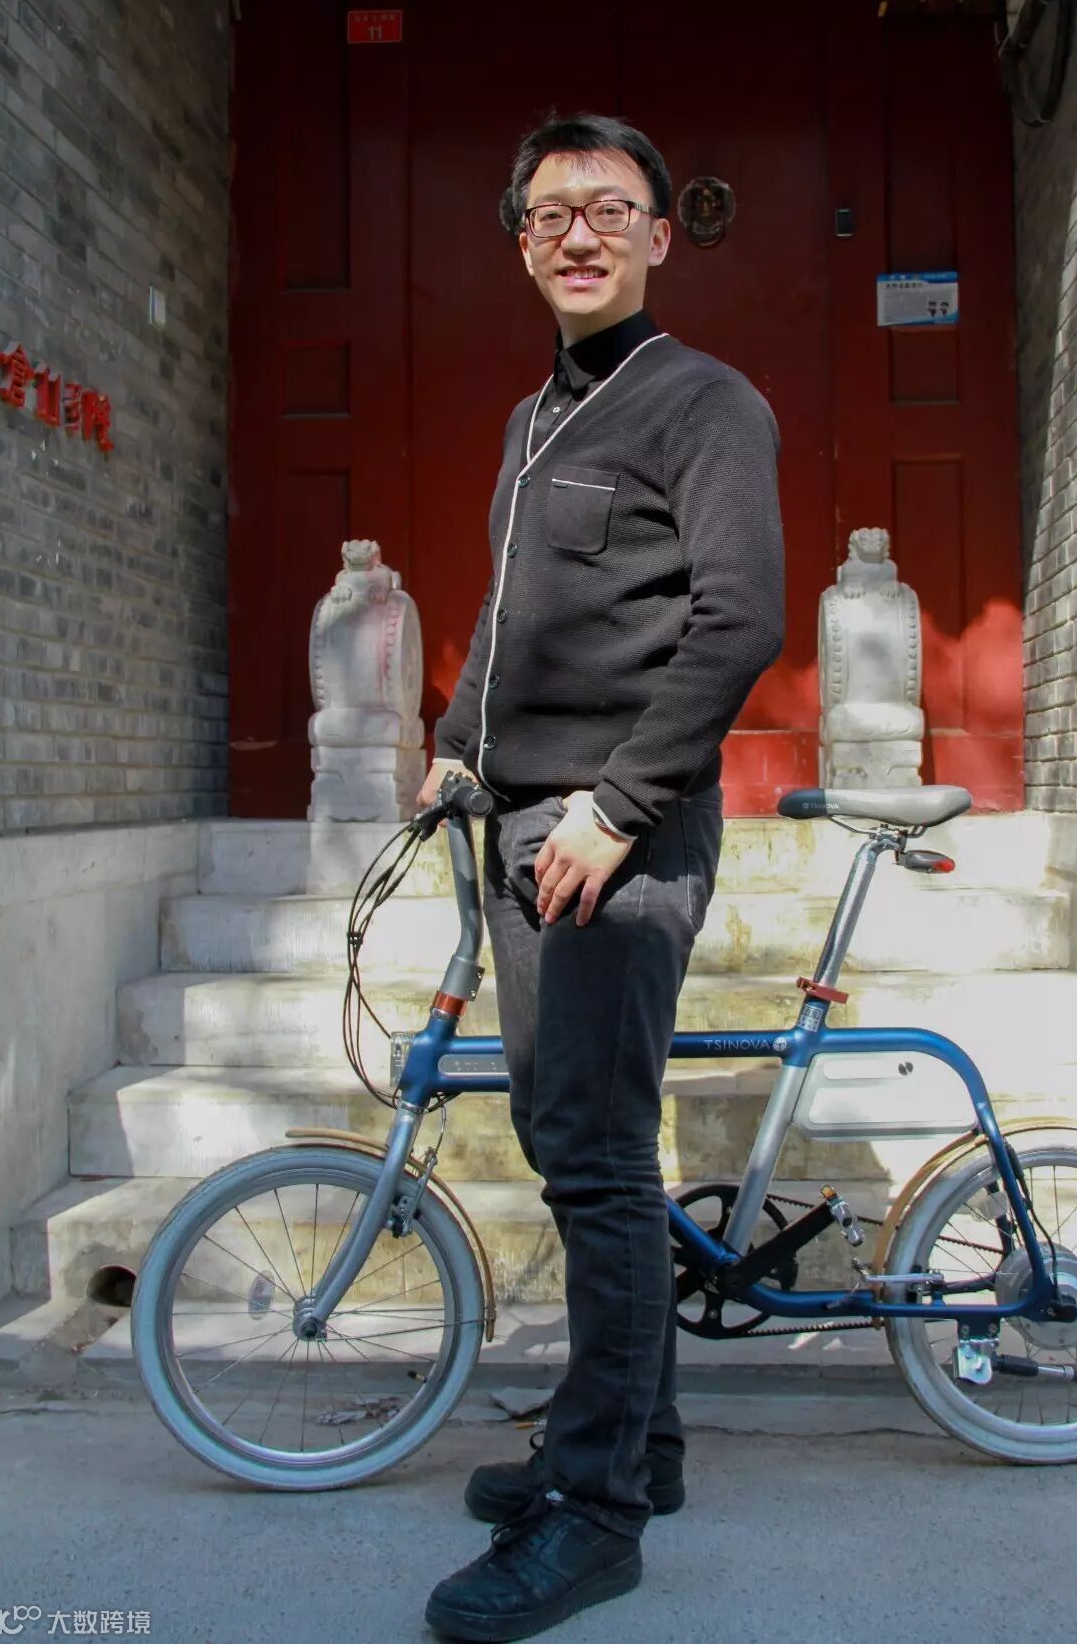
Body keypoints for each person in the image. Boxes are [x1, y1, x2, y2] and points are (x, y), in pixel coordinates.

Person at [419, 112, 785, 1642]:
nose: (581, 232)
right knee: (572, 1140)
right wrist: (456, 743)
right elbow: (512, 613)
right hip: (524, 825)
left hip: (612, 841)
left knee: (597, 1161)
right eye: (553, 210)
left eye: (612, 209)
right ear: (522, 242)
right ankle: (647, 1438)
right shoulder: (533, 416)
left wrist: (620, 807)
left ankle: (596, 1509)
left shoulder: (706, 402)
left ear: (658, 237)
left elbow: (740, 618)